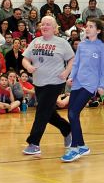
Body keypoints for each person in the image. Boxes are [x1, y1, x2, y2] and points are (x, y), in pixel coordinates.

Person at [22, 16, 74, 155]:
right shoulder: (35, 41)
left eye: (48, 24)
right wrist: (28, 67)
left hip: (55, 82)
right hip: (39, 83)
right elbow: (25, 59)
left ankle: (34, 143)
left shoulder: (62, 43)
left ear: (55, 28)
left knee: (41, 112)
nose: (44, 26)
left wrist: (66, 72)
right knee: (48, 113)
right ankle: (67, 129)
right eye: (43, 24)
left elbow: (72, 59)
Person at [61, 18, 104, 162]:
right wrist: (71, 76)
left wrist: (102, 86)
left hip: (90, 85)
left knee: (74, 113)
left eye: (91, 26)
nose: (87, 29)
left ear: (98, 30)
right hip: (77, 83)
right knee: (71, 114)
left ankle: (75, 148)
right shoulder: (82, 45)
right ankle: (82, 145)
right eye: (87, 26)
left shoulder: (102, 47)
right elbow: (76, 63)